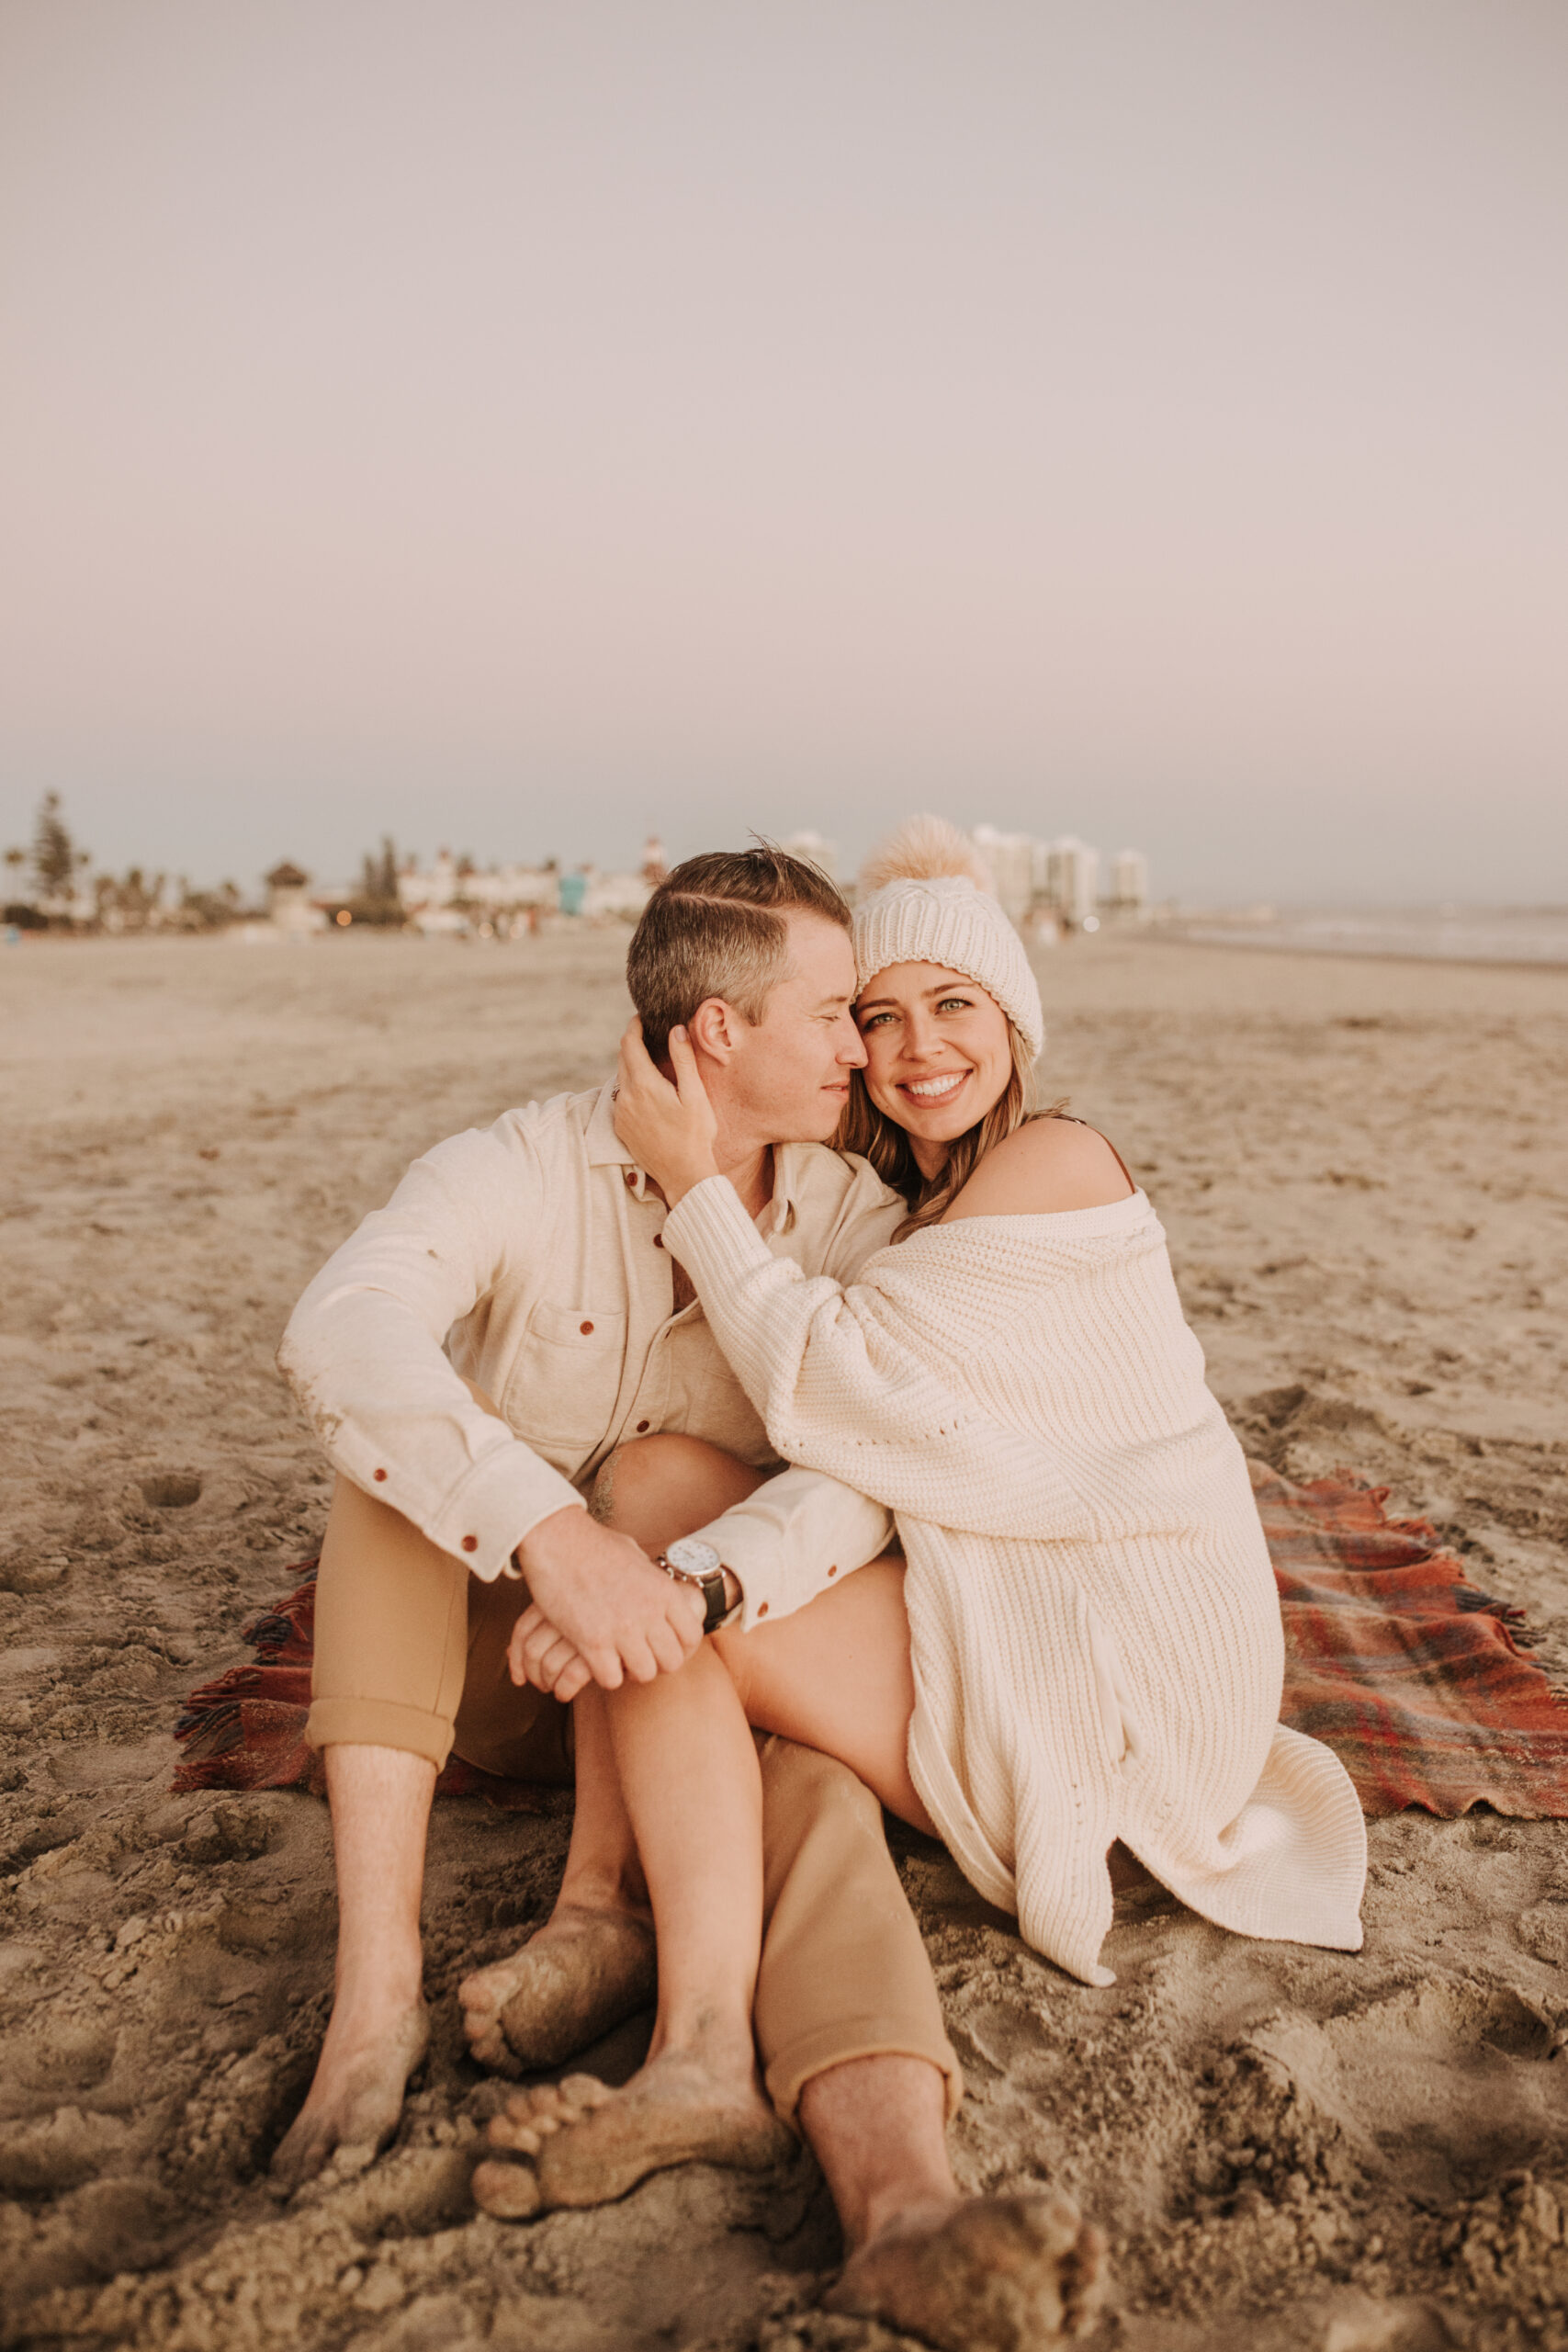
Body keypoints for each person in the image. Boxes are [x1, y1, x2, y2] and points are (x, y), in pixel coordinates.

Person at [479, 820, 1367, 2324]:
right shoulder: (922, 1212)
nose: (913, 1048)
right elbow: (856, 1461)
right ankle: (861, 2165)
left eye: (953, 1006)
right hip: (1013, 1596)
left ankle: (679, 2015)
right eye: (874, 1017)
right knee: (647, 1498)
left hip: (1121, 1662)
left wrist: (695, 1185)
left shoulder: (1052, 1161)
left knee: (673, 1620)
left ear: (1014, 1020)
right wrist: (678, 1562)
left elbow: (833, 1392)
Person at [271, 842, 1102, 2347]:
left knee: (802, 1784)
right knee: (385, 1470)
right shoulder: (519, 1167)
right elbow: (342, 1328)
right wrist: (549, 1536)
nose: (868, 1048)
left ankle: (898, 2199)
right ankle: (374, 1997)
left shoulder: (848, 1217)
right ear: (720, 1031)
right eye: (842, 1013)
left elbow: (878, 1461)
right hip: (508, 1666)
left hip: (682, 1663)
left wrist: (666, 1581)